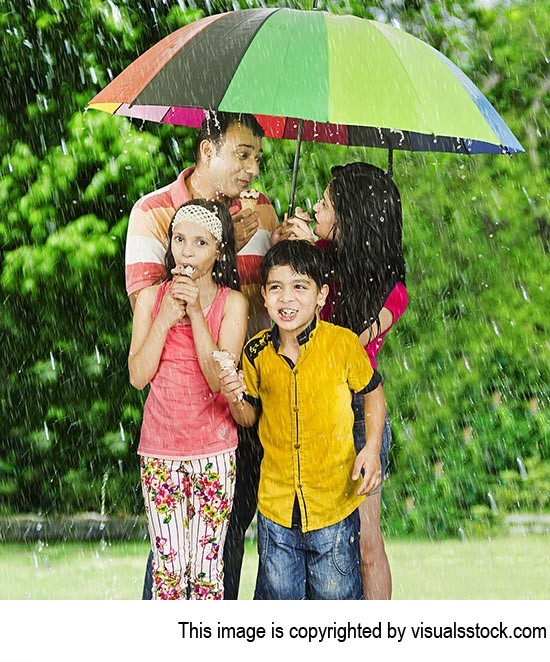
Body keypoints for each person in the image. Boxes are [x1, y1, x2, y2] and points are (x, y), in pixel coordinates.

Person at [125, 111, 274, 600]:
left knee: (224, 544)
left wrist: (282, 236)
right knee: (169, 556)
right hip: (174, 409)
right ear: (208, 151)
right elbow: (151, 308)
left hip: (242, 398)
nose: (252, 169)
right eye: (242, 154)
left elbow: (279, 298)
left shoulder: (261, 213)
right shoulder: (154, 212)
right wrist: (212, 241)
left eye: (258, 156)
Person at [219, 240, 387, 600]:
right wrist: (234, 394)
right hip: (276, 509)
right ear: (263, 296)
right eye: (276, 288)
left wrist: (372, 449)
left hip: (333, 508)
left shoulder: (343, 345)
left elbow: (373, 393)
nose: (287, 299)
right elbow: (248, 418)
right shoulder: (256, 352)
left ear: (321, 295)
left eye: (300, 287)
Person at [279, 162, 406, 600]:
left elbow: (339, 348)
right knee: (311, 543)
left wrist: (308, 261)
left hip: (354, 415)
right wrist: (294, 257)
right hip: (305, 410)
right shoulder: (321, 265)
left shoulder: (390, 291)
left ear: (351, 217)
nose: (316, 206)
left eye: (326, 202)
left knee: (364, 544)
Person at [128, 199, 248, 599]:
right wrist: (165, 317)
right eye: (179, 240)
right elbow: (137, 376)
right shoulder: (149, 299)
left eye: (199, 243)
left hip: (214, 452)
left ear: (218, 251)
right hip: (160, 453)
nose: (186, 252)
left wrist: (196, 312)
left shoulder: (233, 304)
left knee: (207, 571)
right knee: (168, 572)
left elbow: (220, 381)